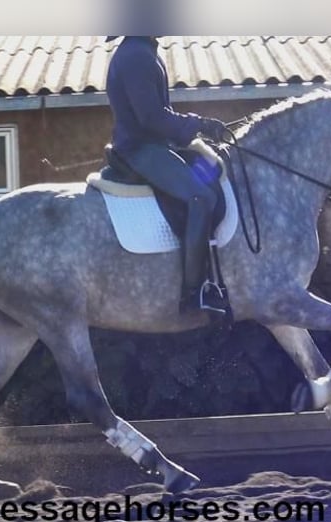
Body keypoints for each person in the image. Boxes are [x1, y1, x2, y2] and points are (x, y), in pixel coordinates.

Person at [105, 36, 228, 314]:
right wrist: (200, 124)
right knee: (200, 196)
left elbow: (161, 115)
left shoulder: (144, 51)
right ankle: (194, 294)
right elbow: (151, 117)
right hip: (140, 149)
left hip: (156, 145)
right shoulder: (136, 55)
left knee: (212, 170)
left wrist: (197, 128)